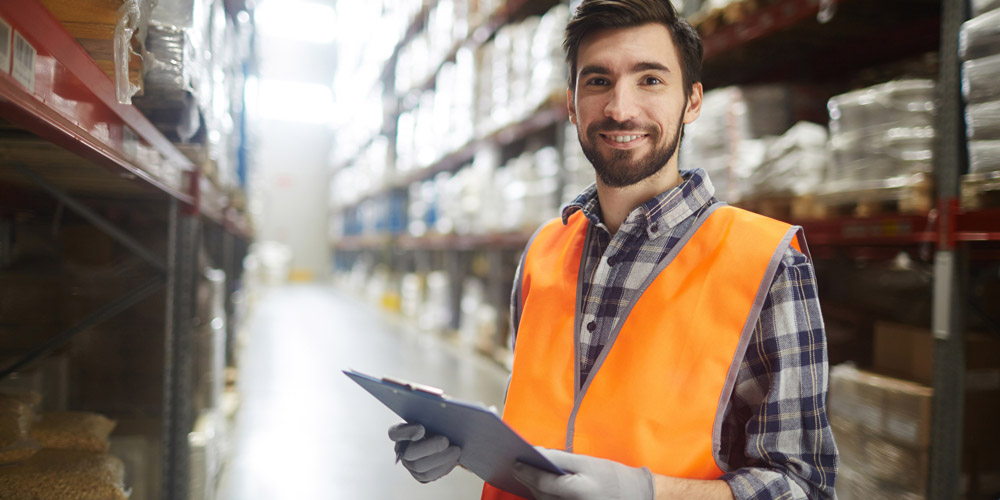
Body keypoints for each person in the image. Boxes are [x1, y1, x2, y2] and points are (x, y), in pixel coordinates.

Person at [389, 0, 839, 498]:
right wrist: (465, 446)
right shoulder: (543, 251)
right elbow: (548, 421)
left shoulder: (765, 260)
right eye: (598, 81)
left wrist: (649, 492)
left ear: (691, 101)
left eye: (650, 80)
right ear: (571, 102)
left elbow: (804, 486)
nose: (621, 109)